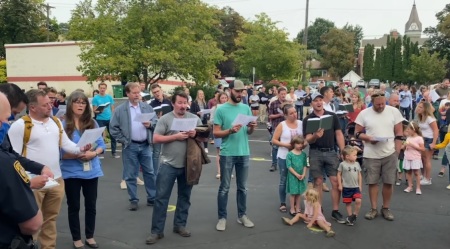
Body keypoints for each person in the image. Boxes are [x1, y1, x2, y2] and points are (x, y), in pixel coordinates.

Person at [8, 89, 90, 249]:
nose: (50, 106)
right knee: (31, 223)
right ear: (32, 107)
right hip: (33, 182)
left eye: (50, 103)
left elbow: (66, 145)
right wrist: (28, 180)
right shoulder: (20, 126)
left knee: (50, 220)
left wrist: (80, 149)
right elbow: (14, 158)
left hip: (56, 180)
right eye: (45, 105)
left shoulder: (56, 122)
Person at [146, 91, 201, 245]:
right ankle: (157, 231)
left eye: (185, 103)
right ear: (173, 103)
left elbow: (204, 136)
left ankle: (180, 225)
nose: (183, 106)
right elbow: (156, 138)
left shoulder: (194, 118)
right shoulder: (165, 119)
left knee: (185, 197)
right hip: (168, 164)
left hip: (188, 165)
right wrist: (175, 137)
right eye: (180, 103)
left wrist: (195, 133)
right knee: (161, 199)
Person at [60, 91, 106, 249]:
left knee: (91, 205)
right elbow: (60, 153)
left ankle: (90, 236)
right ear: (70, 104)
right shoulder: (62, 124)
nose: (80, 105)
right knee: (74, 206)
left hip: (91, 170)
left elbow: (101, 144)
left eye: (83, 102)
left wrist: (93, 153)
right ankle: (76, 238)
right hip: (71, 172)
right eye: (77, 102)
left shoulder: (92, 122)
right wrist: (77, 155)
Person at [0, 92, 43, 249]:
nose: (7, 123)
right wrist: (26, 183)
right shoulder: (5, 163)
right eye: (6, 118)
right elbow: (32, 224)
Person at [213, 80, 257, 231]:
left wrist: (251, 128)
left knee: (243, 188)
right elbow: (216, 132)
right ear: (230, 90)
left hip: (244, 152)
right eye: (237, 91)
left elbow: (249, 132)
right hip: (227, 153)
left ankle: (242, 215)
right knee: (224, 187)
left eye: (242, 91)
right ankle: (222, 217)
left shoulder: (246, 108)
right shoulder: (221, 109)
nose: (240, 94)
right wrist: (230, 131)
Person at [355, 90, 403, 221]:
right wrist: (368, 138)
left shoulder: (394, 112)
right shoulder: (364, 113)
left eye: (383, 104)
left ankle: (386, 208)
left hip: (390, 152)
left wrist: (397, 152)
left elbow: (399, 133)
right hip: (371, 154)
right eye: (378, 105)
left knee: (389, 182)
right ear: (372, 102)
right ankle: (373, 208)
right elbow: (357, 133)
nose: (381, 106)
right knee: (373, 183)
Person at [109, 82, 158, 211]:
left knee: (150, 172)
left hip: (145, 145)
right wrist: (124, 140)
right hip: (130, 146)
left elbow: (156, 122)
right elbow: (113, 128)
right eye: (134, 93)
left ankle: (152, 198)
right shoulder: (120, 109)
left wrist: (151, 125)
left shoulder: (146, 107)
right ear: (128, 94)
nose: (137, 95)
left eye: (138, 93)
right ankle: (133, 199)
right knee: (131, 174)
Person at [0, 83, 54, 189]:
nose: (9, 121)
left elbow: (13, 157)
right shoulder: (18, 126)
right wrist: (27, 183)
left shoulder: (3, 134)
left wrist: (40, 168)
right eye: (13, 114)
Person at [303, 92, 346, 224]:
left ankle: (335, 210)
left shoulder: (332, 116)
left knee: (334, 181)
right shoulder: (308, 119)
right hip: (315, 152)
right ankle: (318, 210)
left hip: (331, 151)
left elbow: (338, 134)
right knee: (318, 182)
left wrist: (343, 150)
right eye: (316, 100)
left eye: (320, 100)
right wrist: (315, 135)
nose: (319, 102)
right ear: (312, 103)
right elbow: (307, 140)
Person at [271, 104, 303, 214]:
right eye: (291, 113)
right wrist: (286, 145)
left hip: (298, 157)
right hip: (284, 156)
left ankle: (295, 202)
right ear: (285, 115)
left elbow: (305, 139)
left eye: (295, 112)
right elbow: (274, 140)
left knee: (297, 179)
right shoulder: (282, 125)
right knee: (284, 179)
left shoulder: (301, 124)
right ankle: (283, 202)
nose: (295, 114)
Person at [149, 84, 174, 178]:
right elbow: (150, 119)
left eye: (158, 91)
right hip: (157, 131)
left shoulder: (169, 102)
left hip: (169, 130)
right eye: (154, 92)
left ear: (161, 91)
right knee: (156, 153)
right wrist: (157, 119)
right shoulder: (151, 105)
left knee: (170, 152)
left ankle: (171, 174)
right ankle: (155, 174)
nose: (157, 94)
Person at [337, 146, 362, 226]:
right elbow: (339, 174)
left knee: (358, 200)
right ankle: (350, 217)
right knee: (348, 203)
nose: (356, 156)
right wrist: (340, 185)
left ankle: (355, 214)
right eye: (354, 155)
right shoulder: (342, 164)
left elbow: (359, 175)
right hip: (346, 187)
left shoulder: (357, 164)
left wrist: (360, 185)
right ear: (347, 156)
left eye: (356, 155)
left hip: (355, 187)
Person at [92, 82, 118, 159]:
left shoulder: (109, 97)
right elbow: (94, 110)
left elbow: (112, 108)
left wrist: (113, 116)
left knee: (113, 135)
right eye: (101, 88)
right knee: (99, 137)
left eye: (104, 88)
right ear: (99, 88)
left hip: (109, 118)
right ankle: (100, 152)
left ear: (106, 89)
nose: (102, 89)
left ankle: (114, 152)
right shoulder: (96, 98)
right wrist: (99, 111)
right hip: (100, 119)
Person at [415, 101, 438, 186]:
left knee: (427, 159)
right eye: (418, 106)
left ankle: (428, 179)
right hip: (423, 139)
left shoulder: (430, 118)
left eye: (421, 107)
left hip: (430, 139)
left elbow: (436, 130)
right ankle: (424, 176)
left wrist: (433, 143)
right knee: (422, 159)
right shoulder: (421, 117)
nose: (418, 108)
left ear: (425, 109)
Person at [285, 135, 307, 215]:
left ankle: (298, 207)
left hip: (301, 176)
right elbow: (289, 166)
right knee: (293, 193)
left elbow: (305, 165)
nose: (300, 145)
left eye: (301, 144)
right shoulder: (290, 154)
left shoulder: (304, 154)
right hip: (293, 176)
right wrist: (296, 174)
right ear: (293, 144)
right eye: (298, 144)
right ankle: (292, 208)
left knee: (299, 193)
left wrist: (304, 174)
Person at [268, 87, 287, 172]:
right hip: (276, 126)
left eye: (284, 94)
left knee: (287, 145)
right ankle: (274, 164)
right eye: (282, 94)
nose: (283, 95)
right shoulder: (274, 103)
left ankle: (287, 164)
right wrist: (280, 115)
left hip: (286, 127)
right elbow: (270, 116)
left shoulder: (288, 104)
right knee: (275, 146)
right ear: (278, 94)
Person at [402, 121, 425, 195]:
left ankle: (418, 188)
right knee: (408, 172)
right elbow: (404, 147)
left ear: (413, 130)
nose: (407, 131)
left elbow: (422, 149)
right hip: (407, 156)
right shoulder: (408, 138)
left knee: (416, 173)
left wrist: (411, 144)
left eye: (409, 129)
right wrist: (403, 146)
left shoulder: (419, 138)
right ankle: (410, 186)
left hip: (415, 157)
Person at [210, 92, 229, 179]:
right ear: (219, 99)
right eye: (222, 98)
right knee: (219, 152)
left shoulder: (230, 108)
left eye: (225, 98)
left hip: (228, 131)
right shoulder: (215, 108)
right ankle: (219, 171)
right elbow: (211, 121)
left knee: (228, 152)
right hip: (219, 131)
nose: (224, 100)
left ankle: (227, 171)